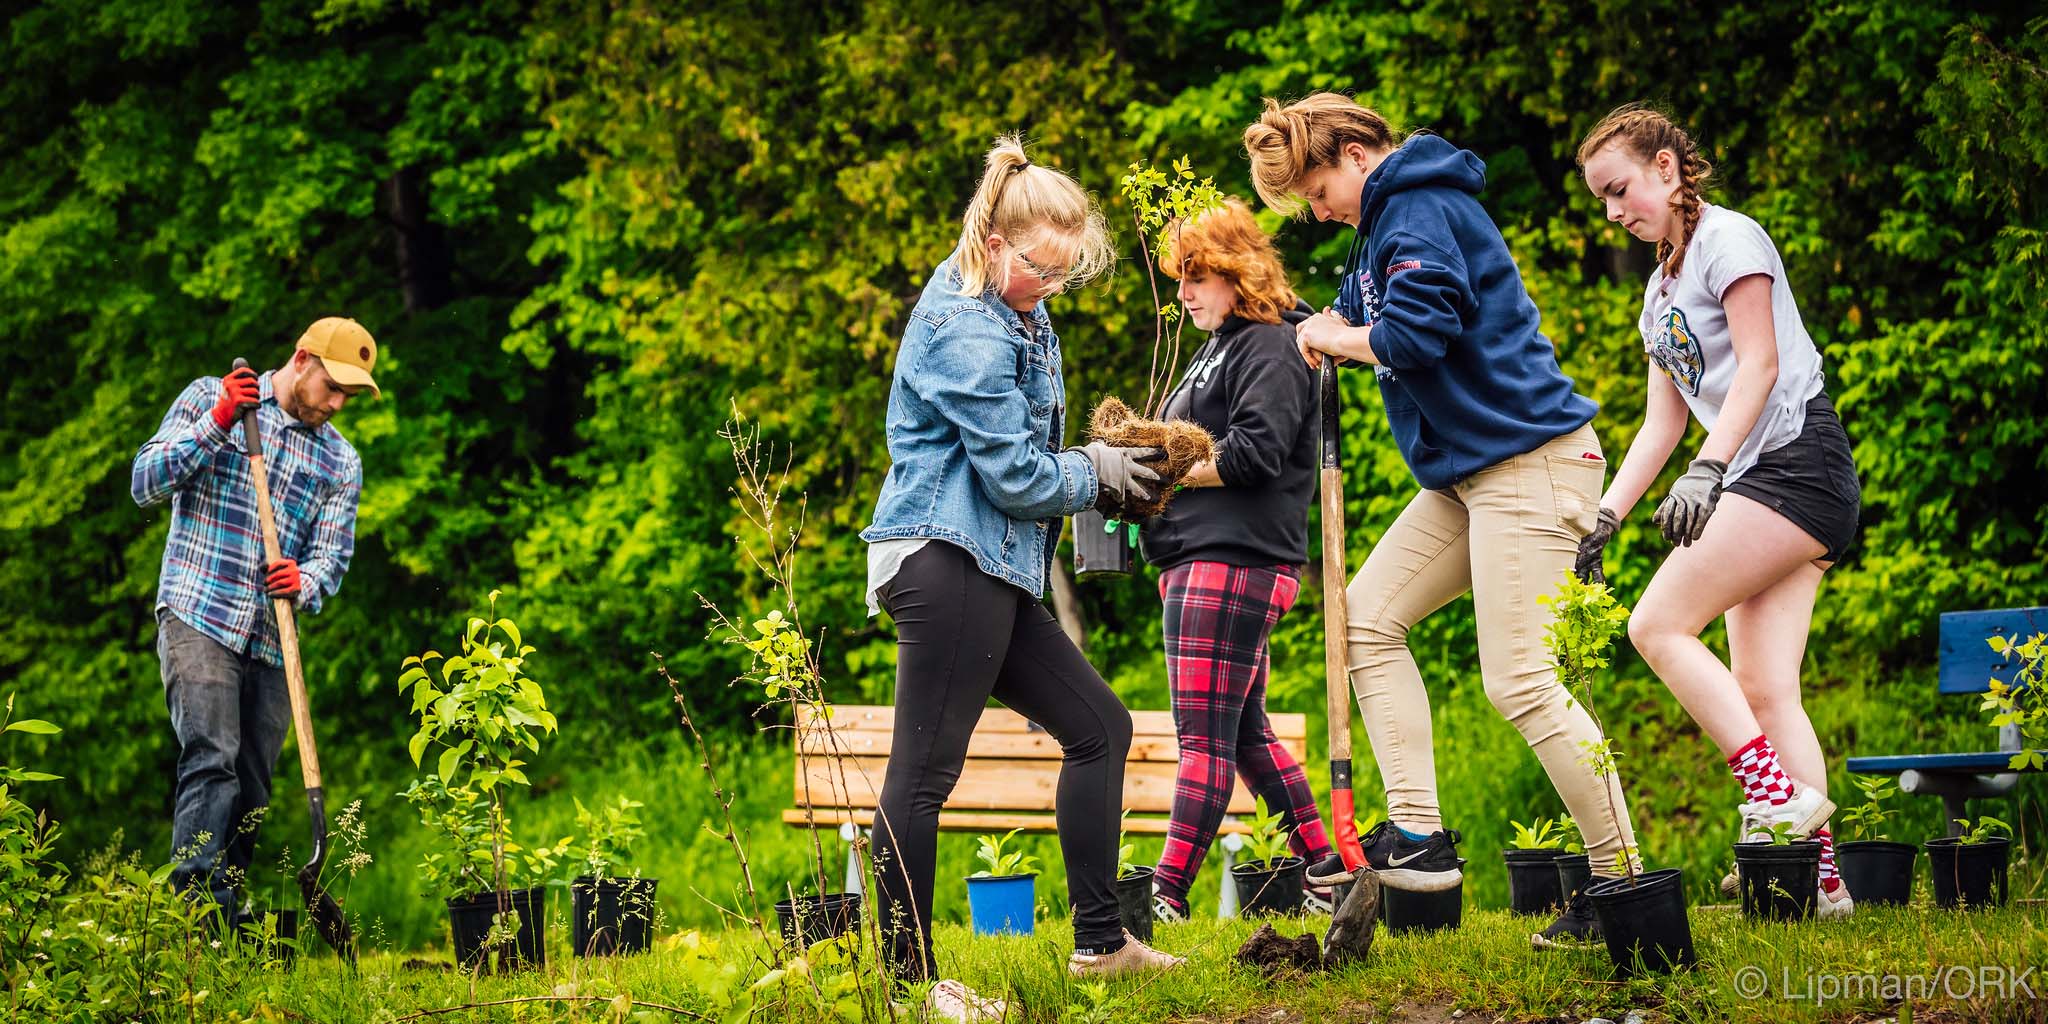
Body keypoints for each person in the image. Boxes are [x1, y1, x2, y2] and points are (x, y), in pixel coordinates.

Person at [1243, 92, 1642, 948]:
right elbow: (1353, 320)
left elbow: (1417, 332)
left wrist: (1340, 337)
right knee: (1368, 620)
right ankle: (1419, 837)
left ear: (1354, 153)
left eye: (1315, 191)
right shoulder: (1380, 227)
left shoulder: (1420, 203)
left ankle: (1624, 885)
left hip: (1532, 463)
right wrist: (1309, 327)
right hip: (1469, 479)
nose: (1317, 212)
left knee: (1521, 682)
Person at [859, 134, 1181, 1019]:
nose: (1052, 285)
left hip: (990, 565)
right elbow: (1014, 478)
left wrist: (1096, 475)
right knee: (923, 774)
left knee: (1099, 728)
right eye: (1042, 267)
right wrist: (1098, 472)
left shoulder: (1019, 312)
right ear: (995, 244)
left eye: (1065, 273)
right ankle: (904, 986)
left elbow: (1033, 466)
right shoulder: (966, 325)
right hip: (944, 555)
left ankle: (1103, 945)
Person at [1575, 104, 1856, 919]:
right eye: (1601, 198)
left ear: (1666, 168)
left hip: (1794, 465)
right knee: (1767, 690)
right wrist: (1608, 516)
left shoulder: (1730, 241)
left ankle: (1776, 801)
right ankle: (1824, 884)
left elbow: (1761, 366)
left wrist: (1708, 470)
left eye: (1620, 189)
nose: (1614, 211)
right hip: (1757, 475)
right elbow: (1663, 422)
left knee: (1656, 625)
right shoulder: (1659, 291)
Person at [131, 317, 378, 921]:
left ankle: (228, 915)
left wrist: (306, 581)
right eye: (333, 386)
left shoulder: (341, 461)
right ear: (301, 360)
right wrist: (218, 423)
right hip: (199, 612)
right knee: (211, 756)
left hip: (271, 638)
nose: (338, 402)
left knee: (251, 785)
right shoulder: (211, 398)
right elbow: (146, 482)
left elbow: (332, 558)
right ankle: (194, 918)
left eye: (350, 393)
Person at [1137, 199, 1337, 921]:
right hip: (1206, 559)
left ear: (1235, 270)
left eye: (1196, 276)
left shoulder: (1271, 343)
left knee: (1201, 739)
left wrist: (1157, 469)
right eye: (1179, 276)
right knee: (1245, 734)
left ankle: (1165, 895)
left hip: (1231, 560)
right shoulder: (1220, 343)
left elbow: (1254, 454)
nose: (1184, 292)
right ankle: (1327, 871)